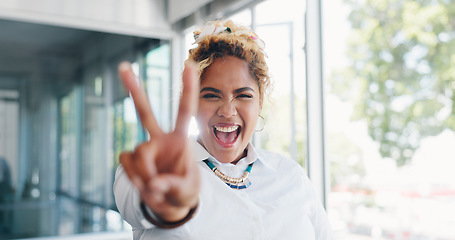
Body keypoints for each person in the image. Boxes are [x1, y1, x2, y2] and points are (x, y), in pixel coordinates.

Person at [114, 20, 334, 239]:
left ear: (260, 103)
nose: (227, 111)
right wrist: (169, 205)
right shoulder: (157, 168)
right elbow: (141, 203)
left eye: (243, 95)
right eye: (211, 95)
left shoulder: (291, 175)